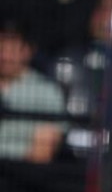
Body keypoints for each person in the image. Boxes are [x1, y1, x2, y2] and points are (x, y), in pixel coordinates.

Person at [0, 18, 66, 163]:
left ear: (28, 51)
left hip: (23, 179)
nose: (4, 56)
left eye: (12, 50)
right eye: (1, 48)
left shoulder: (47, 92)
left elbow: (42, 154)